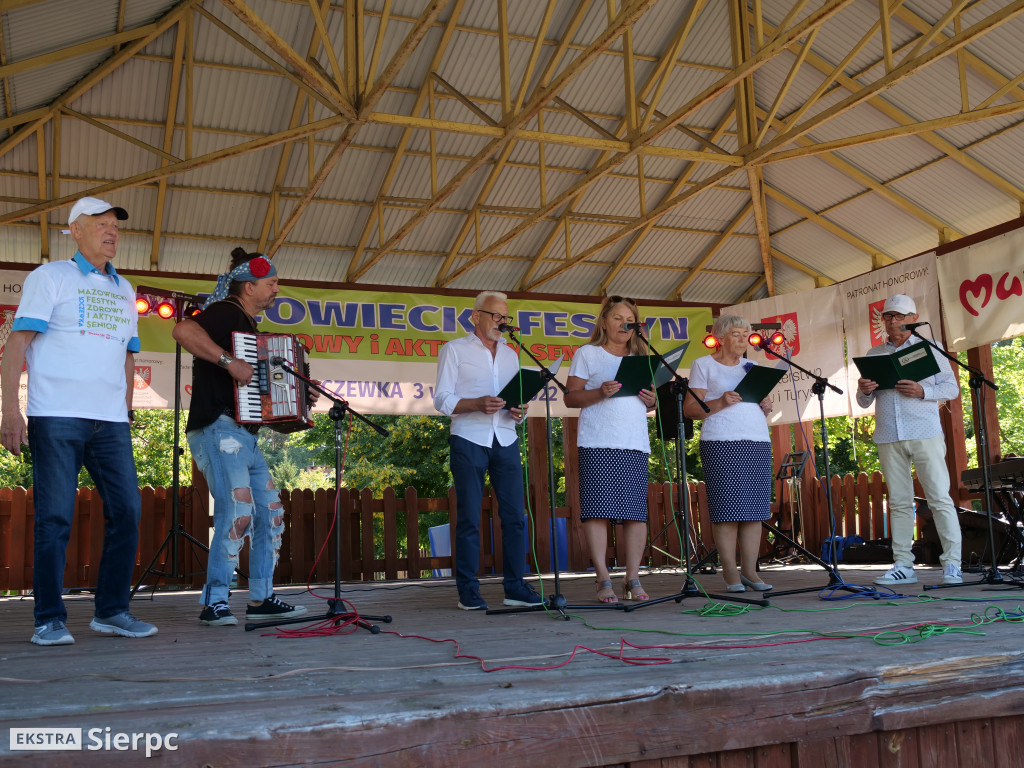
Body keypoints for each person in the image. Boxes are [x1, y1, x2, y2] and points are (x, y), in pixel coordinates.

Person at [0, 196, 158, 645]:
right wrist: (11, 410)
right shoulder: (51, 277)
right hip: (56, 415)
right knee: (54, 517)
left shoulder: (125, 289)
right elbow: (17, 346)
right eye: (101, 224)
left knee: (128, 511)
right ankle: (48, 619)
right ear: (75, 230)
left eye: (116, 226)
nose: (112, 232)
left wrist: (125, 410)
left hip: (110, 422)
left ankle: (111, 611)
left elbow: (128, 358)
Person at [172, 247, 312, 626]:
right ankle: (214, 602)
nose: (276, 291)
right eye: (271, 284)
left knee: (271, 513)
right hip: (218, 429)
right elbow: (183, 329)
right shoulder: (224, 312)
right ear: (248, 286)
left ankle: (262, 598)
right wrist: (228, 361)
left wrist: (299, 398)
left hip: (244, 436)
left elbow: (260, 395)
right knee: (237, 512)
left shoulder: (247, 326)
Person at [433, 291, 543, 611]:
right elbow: (441, 399)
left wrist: (520, 409)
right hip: (469, 438)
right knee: (469, 517)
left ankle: (515, 588)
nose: (502, 322)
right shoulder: (454, 349)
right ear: (475, 316)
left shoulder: (511, 354)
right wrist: (476, 404)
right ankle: (468, 590)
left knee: (515, 517)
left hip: (506, 437)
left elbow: (515, 397)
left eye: (505, 317)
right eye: (496, 316)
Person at [856, 294, 963, 585]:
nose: (893, 321)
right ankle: (903, 564)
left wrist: (923, 391)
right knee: (899, 502)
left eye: (899, 316)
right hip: (889, 434)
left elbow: (951, 388)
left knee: (939, 497)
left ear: (914, 319)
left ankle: (953, 564)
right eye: (888, 316)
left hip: (924, 431)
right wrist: (864, 389)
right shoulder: (874, 352)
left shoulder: (932, 348)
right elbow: (864, 402)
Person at [564, 296, 657, 603]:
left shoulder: (641, 356)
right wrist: (598, 392)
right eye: (617, 318)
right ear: (604, 321)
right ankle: (603, 578)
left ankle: (632, 578)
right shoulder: (588, 353)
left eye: (628, 319)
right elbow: (570, 398)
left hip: (633, 442)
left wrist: (651, 401)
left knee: (635, 514)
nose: (623, 324)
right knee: (598, 512)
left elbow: (649, 405)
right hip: (597, 441)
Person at [684, 314, 774, 593]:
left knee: (754, 511)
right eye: (736, 333)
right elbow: (690, 409)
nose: (743, 338)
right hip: (722, 441)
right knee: (727, 511)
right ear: (720, 338)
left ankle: (750, 572)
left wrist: (766, 404)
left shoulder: (753, 365)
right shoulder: (703, 365)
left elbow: (759, 403)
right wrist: (720, 401)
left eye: (745, 334)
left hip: (757, 439)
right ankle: (730, 574)